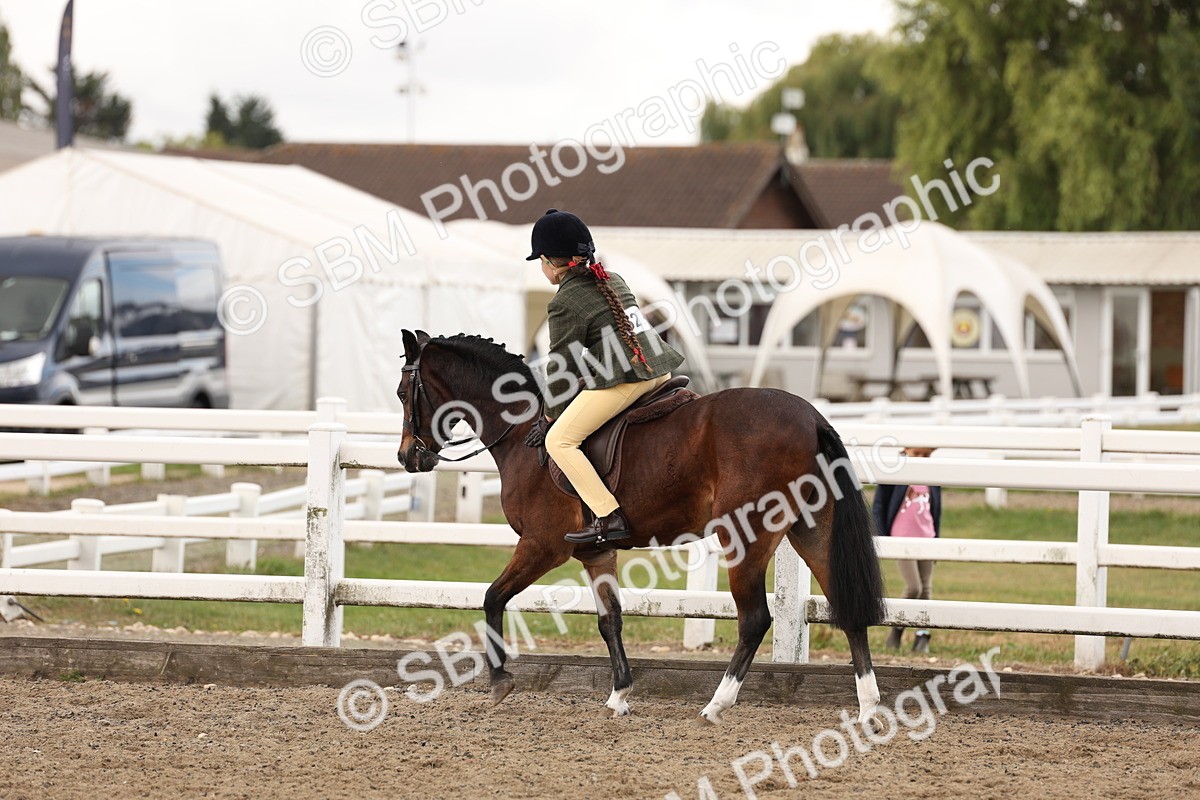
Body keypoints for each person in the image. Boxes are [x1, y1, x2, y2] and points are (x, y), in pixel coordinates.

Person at [523, 209, 685, 545]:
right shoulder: (613, 278)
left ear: (552, 263)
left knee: (559, 441)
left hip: (629, 378)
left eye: (540, 261)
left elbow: (561, 366)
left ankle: (608, 517)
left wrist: (551, 416)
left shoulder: (565, 300)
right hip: (660, 369)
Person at [872, 447, 941, 653]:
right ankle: (897, 627)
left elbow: (936, 510)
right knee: (914, 587)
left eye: (925, 455)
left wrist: (938, 539)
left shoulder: (933, 477)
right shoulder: (894, 473)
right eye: (916, 454)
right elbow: (879, 504)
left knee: (926, 589)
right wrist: (879, 536)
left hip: (927, 537)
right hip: (901, 538)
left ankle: (922, 636)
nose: (920, 459)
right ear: (905, 451)